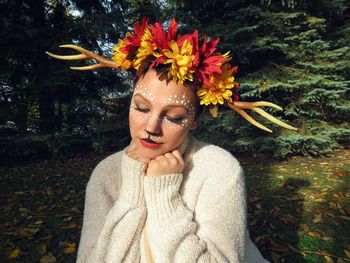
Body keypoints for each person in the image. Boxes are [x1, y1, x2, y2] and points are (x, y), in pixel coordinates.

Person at [47, 18, 296, 262]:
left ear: (195, 120)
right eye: (141, 108)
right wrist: (133, 190)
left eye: (175, 117)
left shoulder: (218, 170)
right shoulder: (106, 174)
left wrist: (163, 193)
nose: (151, 128)